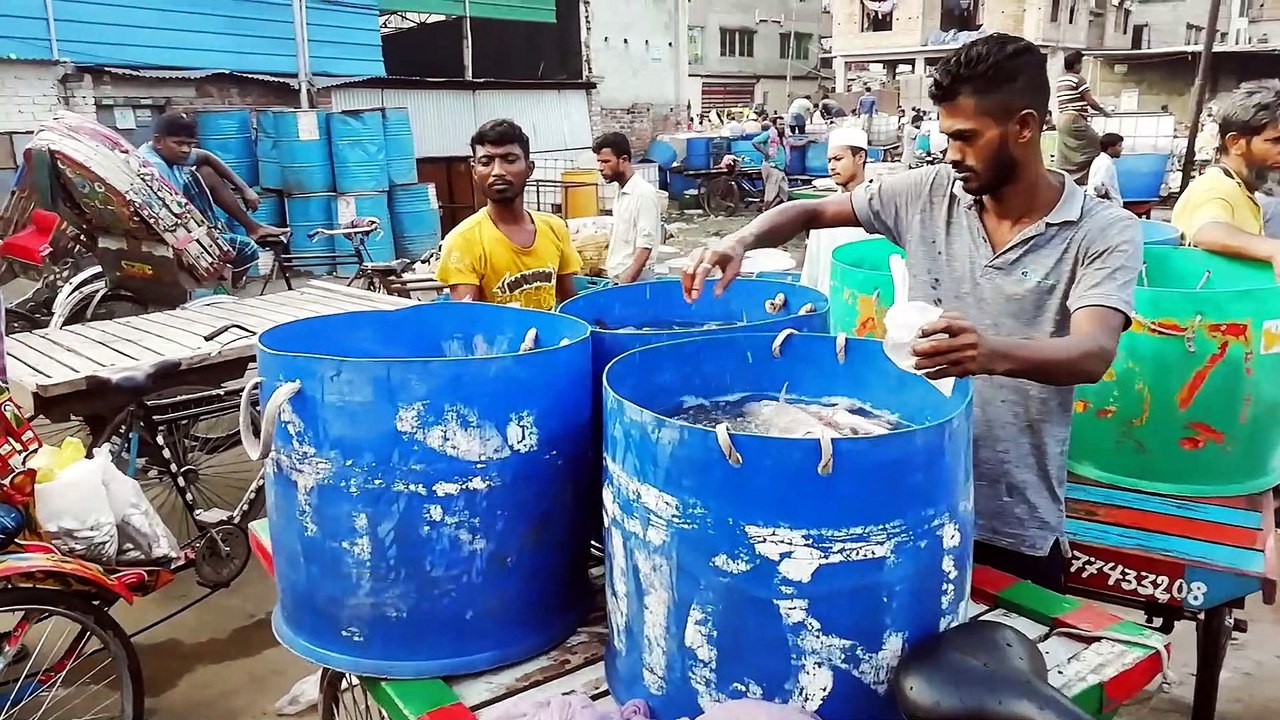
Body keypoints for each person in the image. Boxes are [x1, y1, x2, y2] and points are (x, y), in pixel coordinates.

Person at [681, 33, 1142, 592]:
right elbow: (809, 210)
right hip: (902, 500)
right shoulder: (928, 194)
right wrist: (742, 238)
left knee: (998, 669)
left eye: (967, 138)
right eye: (947, 136)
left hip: (1011, 520)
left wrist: (987, 351)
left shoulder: (1103, 230)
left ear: (1024, 127)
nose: (952, 154)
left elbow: (1091, 353)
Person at [437, 119, 581, 309]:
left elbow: (569, 303)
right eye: (486, 162)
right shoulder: (462, 241)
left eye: (510, 160)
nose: (498, 171)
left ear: (529, 168)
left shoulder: (555, 228)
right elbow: (468, 322)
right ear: (474, 171)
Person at [136, 111, 287, 278]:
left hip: (181, 211)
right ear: (158, 141)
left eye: (190, 144)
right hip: (171, 230)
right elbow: (171, 214)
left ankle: (253, 227)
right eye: (179, 143)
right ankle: (225, 289)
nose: (186, 150)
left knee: (206, 172)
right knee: (247, 250)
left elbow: (207, 157)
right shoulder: (154, 166)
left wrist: (245, 188)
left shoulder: (168, 153)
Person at [1171, 80, 1280, 279]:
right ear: (1235, 143)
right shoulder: (1214, 186)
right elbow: (1207, 231)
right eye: (1275, 141)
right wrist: (1274, 249)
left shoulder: (1243, 189)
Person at [593, 132, 662, 284]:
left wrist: (627, 281)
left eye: (606, 162)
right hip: (618, 277)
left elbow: (645, 245)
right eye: (599, 162)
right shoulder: (620, 190)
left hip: (634, 280)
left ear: (623, 160)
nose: (601, 168)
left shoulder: (643, 193)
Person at [1054, 50, 1111, 186]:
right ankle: (1089, 180)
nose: (1081, 68)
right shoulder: (1078, 79)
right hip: (1073, 118)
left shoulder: (1060, 80)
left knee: (1067, 153)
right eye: (1080, 64)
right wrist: (1104, 112)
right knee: (1098, 146)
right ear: (1076, 65)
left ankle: (1066, 180)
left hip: (1061, 119)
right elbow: (1090, 101)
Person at [752, 121, 789, 210]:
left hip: (780, 167)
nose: (782, 126)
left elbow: (792, 143)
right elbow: (755, 142)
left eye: (783, 124)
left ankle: (768, 209)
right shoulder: (769, 134)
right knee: (771, 192)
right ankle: (766, 210)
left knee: (784, 192)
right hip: (772, 166)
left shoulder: (782, 137)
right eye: (780, 124)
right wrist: (765, 152)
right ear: (775, 125)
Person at [826, 127, 870, 192]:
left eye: (838, 159)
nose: (831, 167)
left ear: (860, 157)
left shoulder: (875, 200)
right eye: (829, 161)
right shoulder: (830, 201)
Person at [1087, 132, 1124, 206]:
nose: (1122, 148)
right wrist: (1107, 200)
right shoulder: (1105, 163)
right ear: (1110, 147)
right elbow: (1098, 186)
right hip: (1108, 205)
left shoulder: (1100, 160)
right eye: (1119, 146)